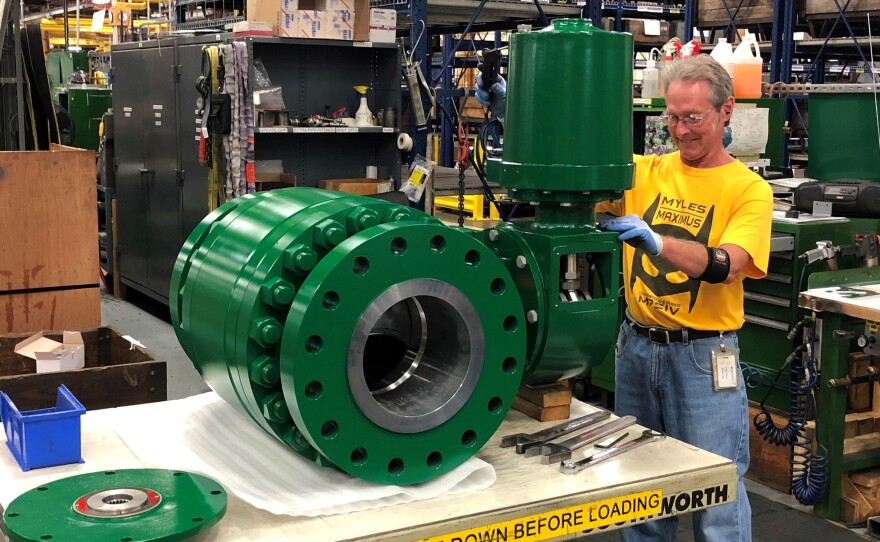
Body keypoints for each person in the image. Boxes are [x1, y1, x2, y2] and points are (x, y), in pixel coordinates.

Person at [596, 55, 772, 541]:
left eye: (693, 117)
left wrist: (659, 243)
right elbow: (578, 177)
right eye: (671, 118)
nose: (681, 130)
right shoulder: (643, 171)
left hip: (702, 358)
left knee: (716, 493)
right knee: (641, 494)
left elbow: (728, 264)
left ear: (725, 111)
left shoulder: (748, 189)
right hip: (635, 348)